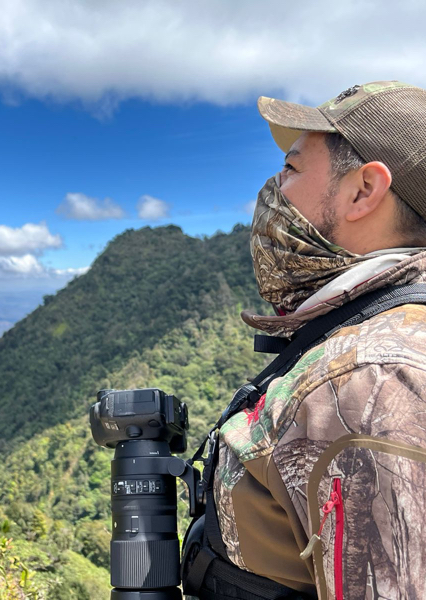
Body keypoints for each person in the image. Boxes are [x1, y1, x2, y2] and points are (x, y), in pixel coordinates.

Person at [186, 81, 426, 599]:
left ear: (364, 191)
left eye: (291, 168)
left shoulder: (370, 381)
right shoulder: (381, 334)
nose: (273, 187)